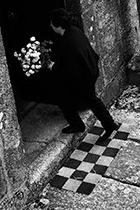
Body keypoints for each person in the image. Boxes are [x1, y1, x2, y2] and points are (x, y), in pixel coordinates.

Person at [44, 9, 120, 138]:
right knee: (92, 100)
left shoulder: (68, 44)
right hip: (89, 70)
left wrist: (53, 67)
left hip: (82, 77)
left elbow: (70, 69)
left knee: (64, 100)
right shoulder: (74, 31)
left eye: (52, 23)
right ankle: (109, 123)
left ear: (58, 25)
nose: (50, 25)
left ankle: (78, 125)